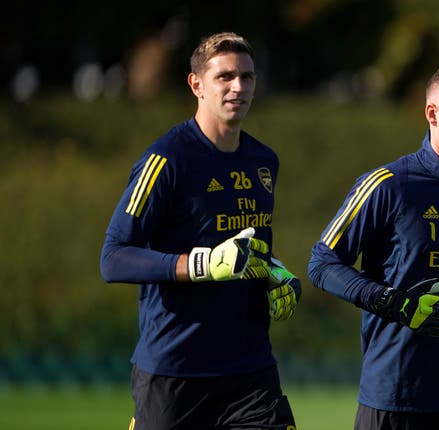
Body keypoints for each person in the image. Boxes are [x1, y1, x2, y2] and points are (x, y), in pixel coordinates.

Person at [100, 32, 300, 430]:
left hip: (250, 369)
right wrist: (201, 264)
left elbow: (252, 251)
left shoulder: (264, 161)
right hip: (175, 372)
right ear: (197, 85)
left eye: (247, 77)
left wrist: (278, 275)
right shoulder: (166, 160)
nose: (238, 87)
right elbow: (114, 256)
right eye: (225, 76)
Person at [308, 63, 439, 430]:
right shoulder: (388, 185)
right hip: (398, 398)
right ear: (432, 114)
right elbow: (322, 263)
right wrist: (393, 303)